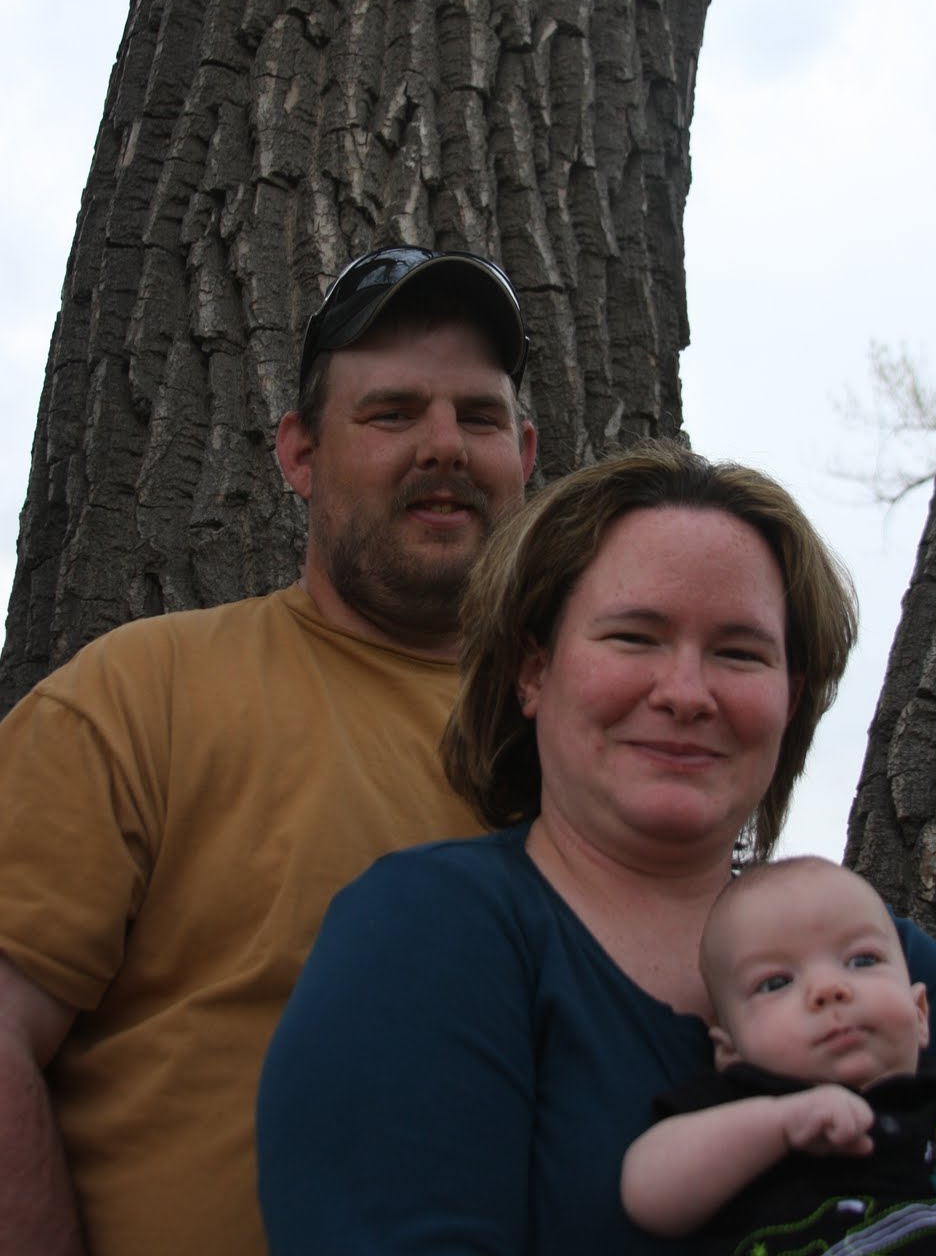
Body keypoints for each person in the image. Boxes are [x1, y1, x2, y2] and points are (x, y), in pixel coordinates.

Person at [257, 442, 936, 1255]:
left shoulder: (881, 956)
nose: (685, 694)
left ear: (789, 700)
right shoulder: (426, 927)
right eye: (634, 637)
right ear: (533, 671)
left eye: (739, 652)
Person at [0, 245, 537, 1256]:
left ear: (526, 453)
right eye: (390, 414)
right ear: (299, 454)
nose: (444, 447)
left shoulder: (589, 744)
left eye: (478, 417)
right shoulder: (141, 693)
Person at [621, 857, 936, 1251]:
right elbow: (649, 1194)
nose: (829, 988)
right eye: (776, 983)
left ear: (920, 1012)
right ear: (730, 1050)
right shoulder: (737, 1112)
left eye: (861, 961)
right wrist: (780, 1125)